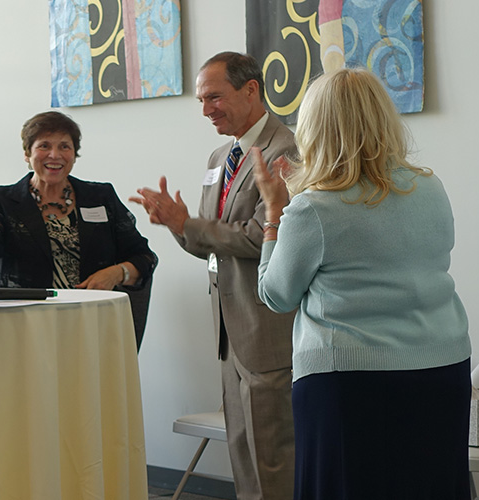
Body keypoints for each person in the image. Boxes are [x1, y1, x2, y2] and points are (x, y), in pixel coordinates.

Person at [253, 68, 472, 499]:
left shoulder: (313, 209)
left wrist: (274, 212)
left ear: (315, 129)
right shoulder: (431, 188)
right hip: (441, 370)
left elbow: (276, 294)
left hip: (350, 382)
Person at [130, 52, 295, 500]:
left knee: (274, 459)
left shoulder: (288, 149)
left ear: (251, 90)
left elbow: (265, 235)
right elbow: (208, 241)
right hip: (229, 331)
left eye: (215, 97)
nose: (206, 110)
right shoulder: (220, 155)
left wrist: (189, 226)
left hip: (267, 329)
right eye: (202, 101)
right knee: (241, 451)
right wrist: (177, 224)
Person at [0, 110, 158, 348]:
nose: (55, 155)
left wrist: (117, 273)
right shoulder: (4, 200)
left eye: (65, 146)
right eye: (44, 145)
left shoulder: (100, 197)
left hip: (92, 328)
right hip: (22, 332)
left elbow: (145, 258)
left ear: (74, 154)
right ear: (27, 153)